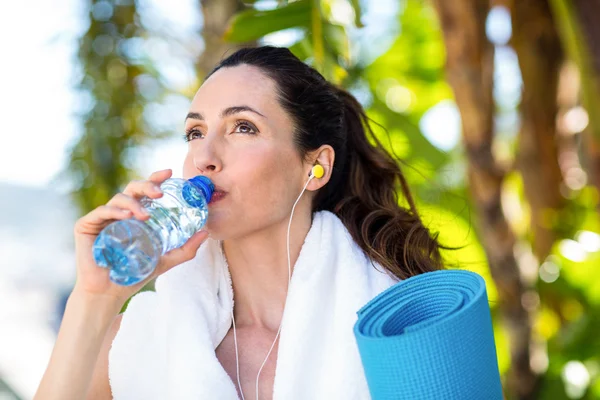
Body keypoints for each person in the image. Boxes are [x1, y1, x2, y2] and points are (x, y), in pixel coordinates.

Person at [34, 46, 444, 400]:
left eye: (243, 127)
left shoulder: (402, 327)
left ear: (315, 166)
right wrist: (94, 297)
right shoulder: (134, 342)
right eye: (195, 132)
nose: (204, 156)